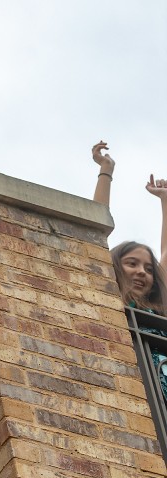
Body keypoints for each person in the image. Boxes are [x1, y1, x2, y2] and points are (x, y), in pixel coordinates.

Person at [91, 140, 167, 407]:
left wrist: (165, 202)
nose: (142, 272)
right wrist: (106, 171)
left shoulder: (157, 308)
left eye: (148, 268)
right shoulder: (109, 294)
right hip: (133, 387)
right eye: (132, 263)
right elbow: (94, 227)